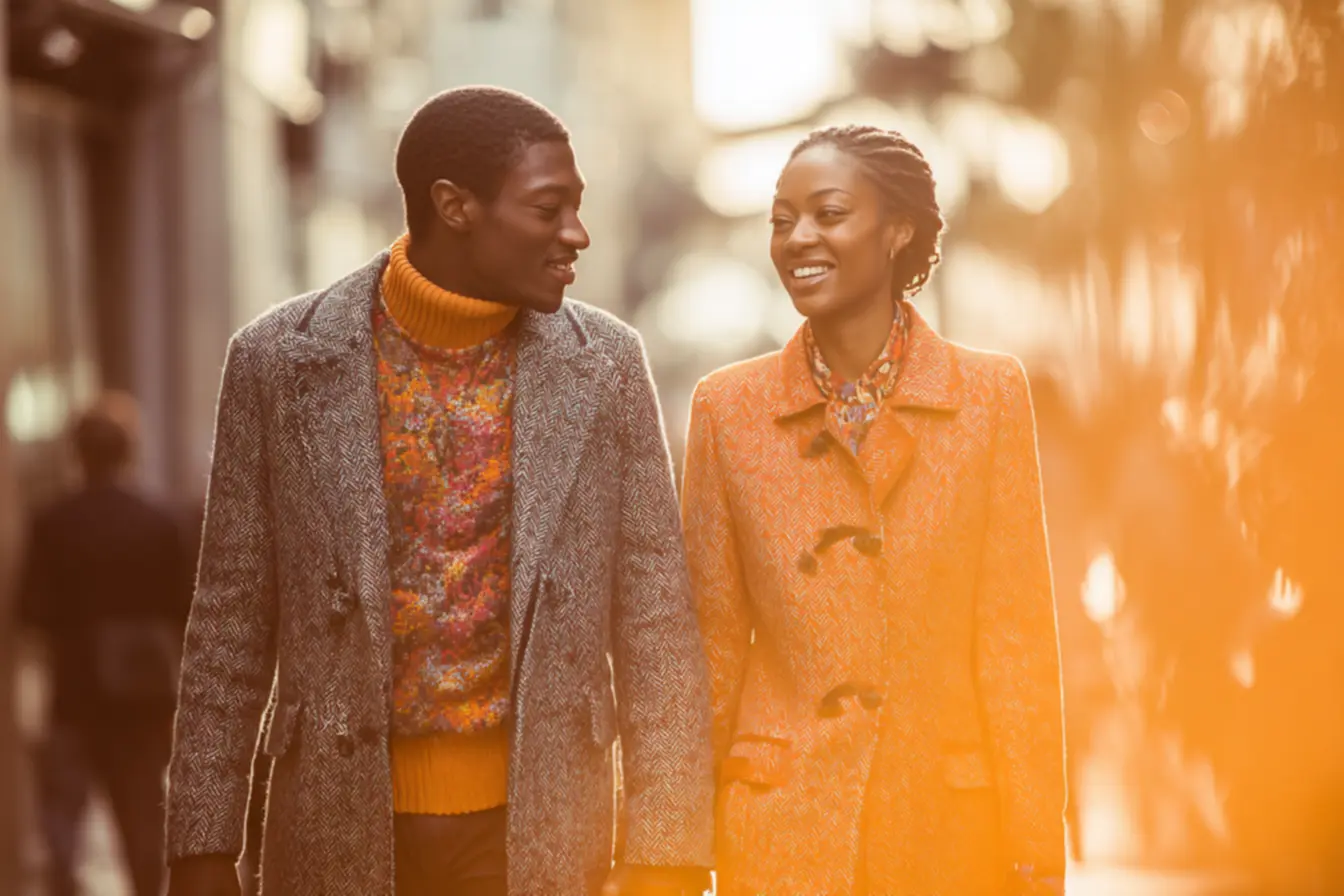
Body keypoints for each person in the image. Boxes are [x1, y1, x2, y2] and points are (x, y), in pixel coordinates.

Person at [165, 86, 713, 896]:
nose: (577, 235)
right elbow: (230, 618)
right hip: (336, 824)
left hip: (545, 832)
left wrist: (666, 851)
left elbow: (658, 620)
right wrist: (203, 841)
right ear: (455, 207)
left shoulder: (606, 365)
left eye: (577, 208)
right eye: (547, 208)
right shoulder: (277, 361)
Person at [681, 125, 1067, 895]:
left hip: (948, 836)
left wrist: (1034, 849)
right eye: (782, 219)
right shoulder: (726, 410)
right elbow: (709, 652)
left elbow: (1016, 637)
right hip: (781, 837)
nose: (799, 238)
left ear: (897, 231)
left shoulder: (990, 398)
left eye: (829, 213)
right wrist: (674, 853)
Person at [19, 392, 193, 896]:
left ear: (77, 453)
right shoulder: (160, 521)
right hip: (143, 698)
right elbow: (184, 608)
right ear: (129, 450)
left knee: (64, 832)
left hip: (73, 695)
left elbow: (32, 611)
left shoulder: (52, 522)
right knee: (142, 823)